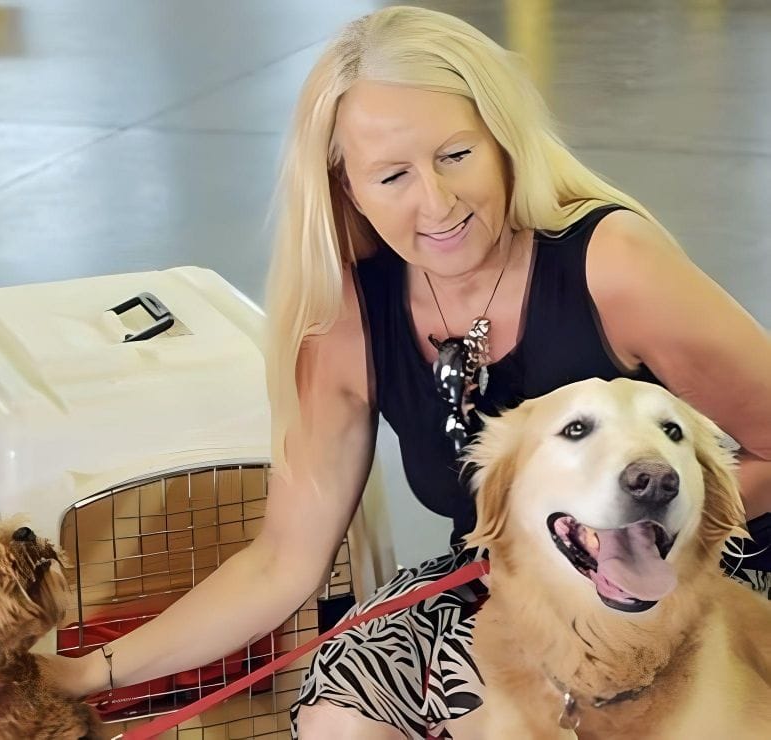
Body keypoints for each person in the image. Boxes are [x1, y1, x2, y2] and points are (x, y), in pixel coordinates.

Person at [42, 6, 771, 739]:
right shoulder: (347, 321)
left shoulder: (614, 264)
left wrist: (632, 534)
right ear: (346, 186)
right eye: (393, 175)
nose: (438, 202)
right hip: (503, 581)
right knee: (340, 706)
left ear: (503, 142)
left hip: (710, 563)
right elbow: (283, 563)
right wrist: (89, 672)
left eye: (456, 155)